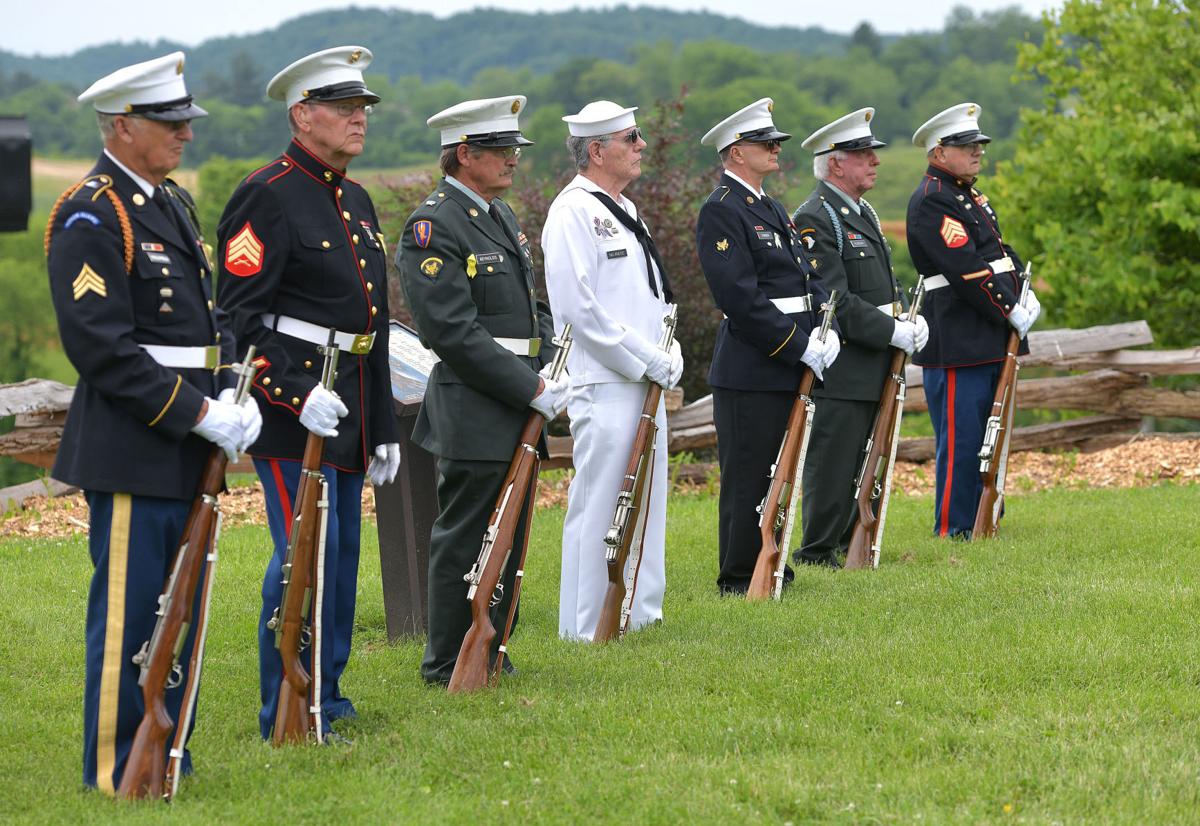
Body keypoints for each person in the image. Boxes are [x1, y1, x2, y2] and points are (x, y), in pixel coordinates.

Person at [46, 52, 260, 792]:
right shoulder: (91, 211)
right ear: (121, 125)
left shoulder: (169, 203)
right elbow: (101, 347)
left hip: (187, 441)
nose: (185, 136)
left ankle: (169, 749)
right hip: (136, 445)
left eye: (185, 121)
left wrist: (235, 390)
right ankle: (115, 766)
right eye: (169, 124)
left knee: (183, 610)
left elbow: (208, 321)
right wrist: (199, 412)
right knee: (134, 617)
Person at [216, 46, 400, 740]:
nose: (359, 120)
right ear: (302, 114)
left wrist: (381, 421)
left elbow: (372, 325)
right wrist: (292, 395)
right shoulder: (266, 192)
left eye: (363, 109)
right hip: (295, 416)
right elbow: (236, 322)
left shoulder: (354, 197)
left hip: (350, 404)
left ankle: (329, 694)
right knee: (303, 555)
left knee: (343, 557)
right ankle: (285, 705)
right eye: (344, 108)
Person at [397, 96, 563, 684]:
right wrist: (529, 385)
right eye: (499, 149)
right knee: (467, 536)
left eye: (514, 147)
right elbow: (452, 332)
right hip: (475, 403)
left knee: (510, 535)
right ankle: (447, 660)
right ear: (464, 155)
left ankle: (492, 646)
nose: (512, 159)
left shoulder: (500, 216)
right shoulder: (433, 225)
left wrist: (550, 359)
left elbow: (529, 303)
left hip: (519, 396)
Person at [541, 100, 681, 640]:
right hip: (604, 382)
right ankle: (585, 626)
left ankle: (639, 614)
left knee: (647, 499)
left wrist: (667, 353)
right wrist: (642, 356)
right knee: (600, 502)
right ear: (597, 150)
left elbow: (647, 295)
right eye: (631, 137)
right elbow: (577, 308)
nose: (642, 145)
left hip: (643, 378)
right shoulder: (572, 211)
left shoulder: (626, 208)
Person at [695, 98, 840, 595]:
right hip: (753, 365)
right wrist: (797, 344)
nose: (777, 148)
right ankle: (740, 575)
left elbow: (807, 275)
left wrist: (825, 326)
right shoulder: (722, 211)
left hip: (789, 357)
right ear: (736, 152)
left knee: (783, 468)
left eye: (775, 141)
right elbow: (739, 295)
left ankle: (773, 562)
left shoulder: (770, 206)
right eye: (765, 142)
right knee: (750, 474)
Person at [791, 108, 928, 567]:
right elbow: (837, 302)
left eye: (872, 153)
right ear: (835, 163)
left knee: (863, 459)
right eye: (862, 154)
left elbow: (878, 287)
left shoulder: (860, 211)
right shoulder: (816, 218)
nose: (875, 161)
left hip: (875, 360)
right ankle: (818, 550)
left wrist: (906, 318)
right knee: (834, 462)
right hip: (845, 366)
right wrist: (894, 331)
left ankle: (850, 542)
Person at [907, 102, 1041, 538]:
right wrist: (1009, 306)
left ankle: (987, 519)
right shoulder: (934, 201)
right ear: (938, 152)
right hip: (958, 336)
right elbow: (966, 269)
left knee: (993, 431)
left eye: (978, 143)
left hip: (986, 331)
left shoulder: (969, 195)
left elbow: (999, 253)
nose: (977, 151)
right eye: (966, 146)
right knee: (964, 439)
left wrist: (1024, 290)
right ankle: (955, 525)